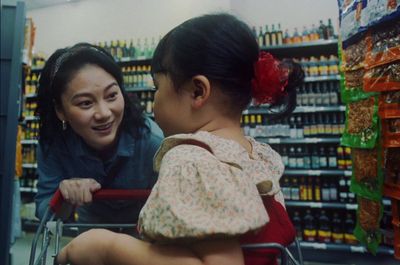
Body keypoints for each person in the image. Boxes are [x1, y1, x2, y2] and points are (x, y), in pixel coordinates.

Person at [56, 13, 303, 265]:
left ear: (197, 91)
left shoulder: (192, 161)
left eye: (157, 88)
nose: (154, 101)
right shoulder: (255, 154)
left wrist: (107, 247)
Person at [35, 43, 164, 224]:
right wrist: (64, 197)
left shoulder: (153, 143)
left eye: (111, 95)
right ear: (60, 110)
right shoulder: (53, 144)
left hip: (142, 237)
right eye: (86, 103)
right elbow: (45, 214)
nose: (104, 113)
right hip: (89, 233)